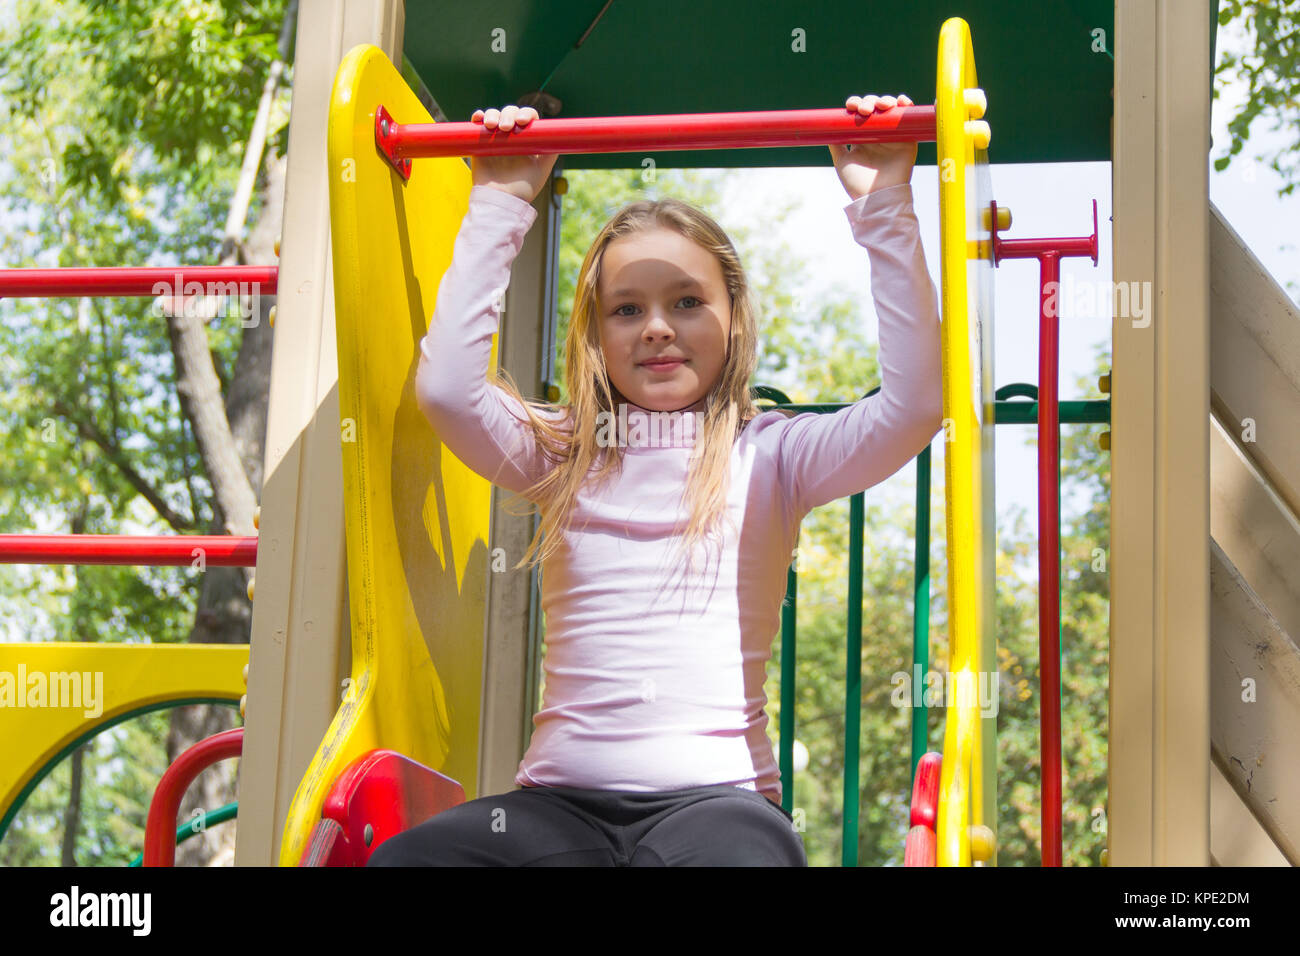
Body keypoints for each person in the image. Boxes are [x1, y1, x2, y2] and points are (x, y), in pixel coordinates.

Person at [367, 94, 943, 866]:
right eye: (627, 309)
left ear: (733, 316)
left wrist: (884, 207)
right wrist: (500, 201)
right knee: (411, 861)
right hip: (557, 806)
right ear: (597, 337)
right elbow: (445, 392)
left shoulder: (770, 457)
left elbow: (914, 407)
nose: (658, 327)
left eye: (686, 302)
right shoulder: (564, 453)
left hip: (718, 804)